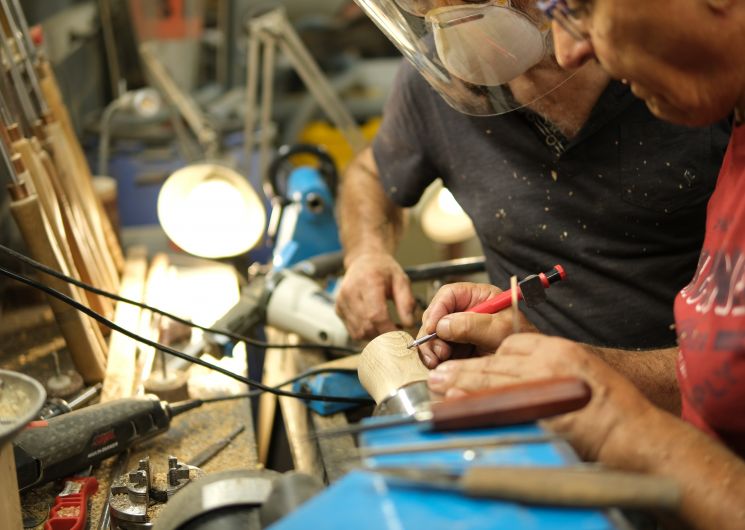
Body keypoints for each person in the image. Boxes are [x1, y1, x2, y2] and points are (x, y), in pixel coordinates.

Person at [423, 1, 745, 528]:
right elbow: (719, 381)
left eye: (582, 6)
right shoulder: (735, 148)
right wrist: (574, 371)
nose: (570, 52)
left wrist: (624, 430)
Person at [337, 0, 729, 413]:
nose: (445, 15)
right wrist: (366, 254)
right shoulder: (437, 86)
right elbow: (372, 175)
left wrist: (566, 368)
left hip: (688, 417)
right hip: (533, 403)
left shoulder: (684, 80)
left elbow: (731, 377)